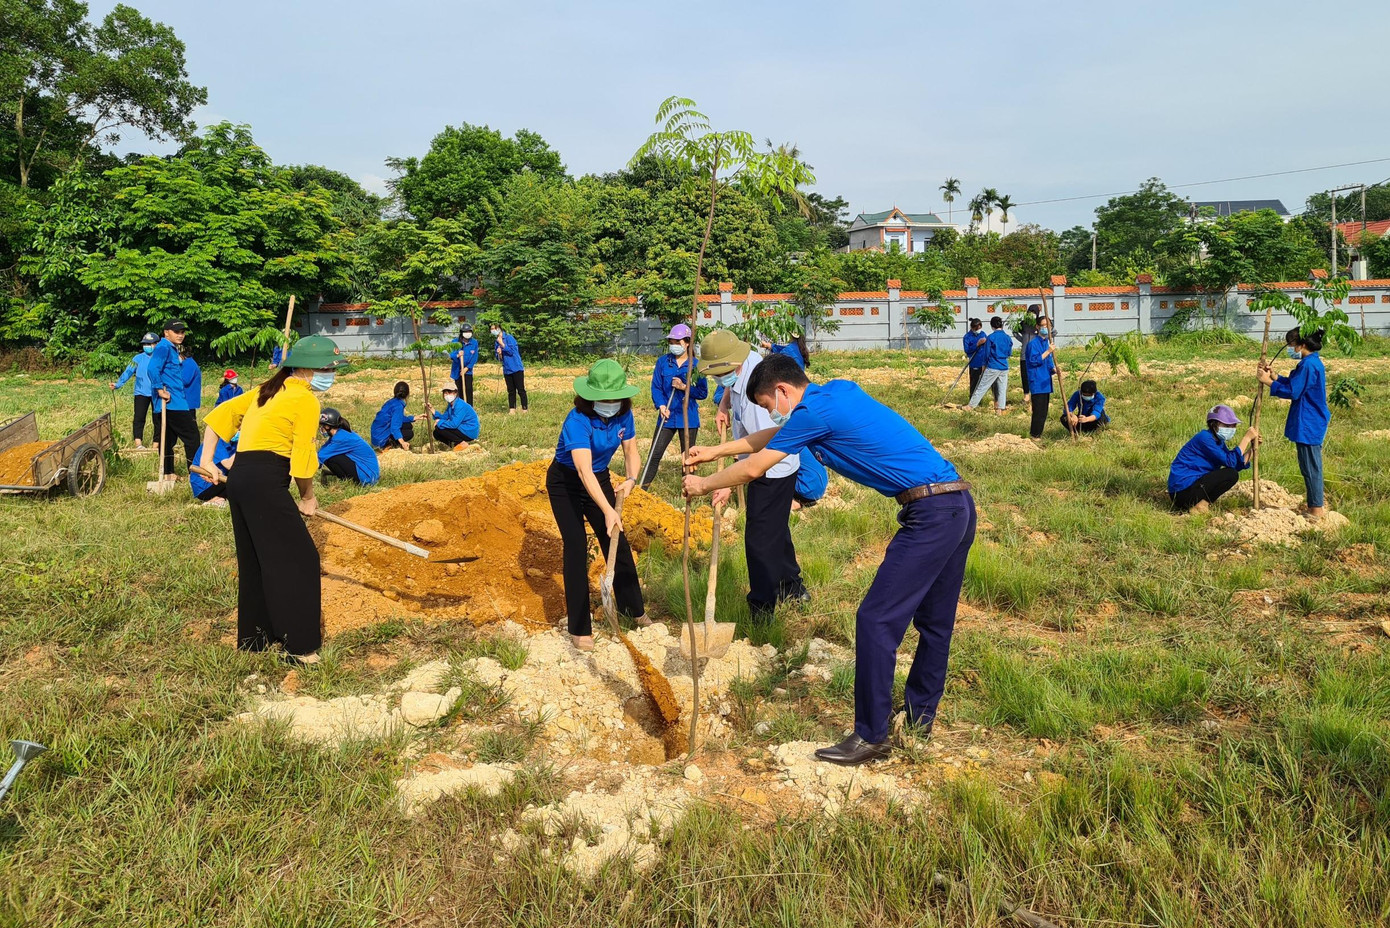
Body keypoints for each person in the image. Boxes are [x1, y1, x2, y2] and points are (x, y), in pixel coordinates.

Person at [683, 353, 974, 766]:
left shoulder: (812, 411)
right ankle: (918, 720)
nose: (772, 415)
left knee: (875, 620)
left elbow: (752, 470)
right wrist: (715, 450)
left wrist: (703, 484)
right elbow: (769, 439)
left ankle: (871, 736)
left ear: (782, 391)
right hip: (957, 502)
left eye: (768, 407)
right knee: (935, 624)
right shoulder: (834, 393)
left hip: (931, 515)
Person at [199, 335, 349, 664]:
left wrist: (209, 459)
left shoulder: (266, 391)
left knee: (256, 561)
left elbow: (219, 416)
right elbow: (302, 456)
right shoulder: (306, 401)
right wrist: (308, 497)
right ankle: (300, 648)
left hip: (241, 479)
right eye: (328, 369)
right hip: (266, 479)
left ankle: (256, 640)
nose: (331, 375)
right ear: (308, 370)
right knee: (300, 560)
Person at [698, 331, 808, 622]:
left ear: (734, 363)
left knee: (759, 540)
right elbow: (729, 390)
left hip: (771, 470)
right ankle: (793, 588)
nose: (719, 380)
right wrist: (724, 404)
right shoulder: (745, 367)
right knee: (775, 528)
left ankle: (762, 608)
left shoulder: (761, 391)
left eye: (720, 374)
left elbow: (758, 456)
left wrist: (724, 483)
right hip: (762, 464)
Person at [547, 359, 651, 650]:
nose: (610, 403)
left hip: (600, 476)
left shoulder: (623, 415)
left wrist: (631, 479)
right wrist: (607, 509)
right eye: (603, 399)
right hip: (566, 482)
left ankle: (634, 610)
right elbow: (582, 470)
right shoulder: (577, 421)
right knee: (576, 545)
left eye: (614, 398)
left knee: (616, 538)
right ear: (589, 397)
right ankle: (580, 628)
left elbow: (631, 451)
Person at [1258, 326, 1330, 519]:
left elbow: (1293, 392)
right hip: (1308, 420)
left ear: (1302, 345)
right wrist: (1275, 377)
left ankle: (1316, 509)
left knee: (1310, 465)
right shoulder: (1310, 363)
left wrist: (1268, 382)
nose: (1291, 349)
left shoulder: (1308, 365)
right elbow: (1294, 384)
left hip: (1309, 421)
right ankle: (1315, 505)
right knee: (1309, 464)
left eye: (1291, 345)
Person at [640, 323, 708, 490]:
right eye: (672, 342)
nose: (674, 345)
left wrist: (684, 387)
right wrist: (661, 405)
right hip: (667, 416)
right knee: (655, 454)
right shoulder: (663, 362)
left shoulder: (696, 365)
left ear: (687, 343)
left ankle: (688, 491)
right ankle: (642, 490)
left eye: (677, 342)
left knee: (688, 457)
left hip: (688, 418)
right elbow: (656, 387)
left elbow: (702, 393)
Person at [1167, 405, 1259, 512]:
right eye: (1227, 426)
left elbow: (1235, 464)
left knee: (1231, 474)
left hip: (1191, 489)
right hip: (1182, 492)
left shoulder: (1218, 442)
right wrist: (1246, 438)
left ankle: (1200, 504)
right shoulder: (1205, 438)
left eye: (1234, 426)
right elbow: (1231, 461)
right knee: (1231, 474)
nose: (1232, 429)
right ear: (1214, 424)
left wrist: (1252, 448)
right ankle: (1201, 505)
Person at [148, 320, 200, 478]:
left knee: (168, 440)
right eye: (176, 332)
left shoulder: (170, 348)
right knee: (192, 437)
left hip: (172, 403)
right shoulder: (164, 347)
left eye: (182, 332)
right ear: (166, 332)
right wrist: (159, 389)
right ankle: (196, 473)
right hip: (173, 403)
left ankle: (168, 473)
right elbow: (152, 368)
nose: (180, 335)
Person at [111, 332, 158, 449]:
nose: (147, 346)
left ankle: (156, 445)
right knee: (139, 418)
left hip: (157, 393)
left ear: (156, 344)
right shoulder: (137, 358)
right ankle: (138, 443)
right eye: (145, 344)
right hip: (141, 393)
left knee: (157, 419)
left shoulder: (160, 358)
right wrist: (118, 384)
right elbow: (128, 372)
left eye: (150, 344)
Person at [317, 408, 380, 486]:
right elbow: (322, 450)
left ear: (328, 426)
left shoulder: (340, 439)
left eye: (323, 426)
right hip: (367, 471)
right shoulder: (340, 434)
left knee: (330, 458)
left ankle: (353, 483)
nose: (321, 429)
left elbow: (320, 456)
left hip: (368, 477)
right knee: (329, 456)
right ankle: (348, 481)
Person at [965, 316, 1012, 413]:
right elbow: (1009, 353)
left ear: (992, 326)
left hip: (993, 366)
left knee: (982, 386)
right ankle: (1000, 409)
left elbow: (987, 354)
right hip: (1004, 366)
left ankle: (970, 406)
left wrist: (984, 366)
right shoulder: (1007, 337)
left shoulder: (991, 337)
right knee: (1002, 389)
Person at [1021, 317, 1057, 439]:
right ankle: (1035, 435)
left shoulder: (1046, 342)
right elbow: (1034, 360)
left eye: (1048, 326)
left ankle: (1038, 434)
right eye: (1043, 325)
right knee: (1038, 412)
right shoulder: (1033, 344)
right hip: (1037, 381)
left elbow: (1049, 362)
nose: (1046, 328)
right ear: (1037, 327)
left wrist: (1054, 370)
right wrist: (1048, 351)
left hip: (1045, 382)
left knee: (1044, 412)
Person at [426, 385, 480, 450]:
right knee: (436, 433)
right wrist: (432, 410)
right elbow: (445, 417)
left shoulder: (460, 405)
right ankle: (455, 446)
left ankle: (462, 443)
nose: (447, 395)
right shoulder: (451, 404)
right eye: (445, 393)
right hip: (461, 428)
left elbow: (454, 424)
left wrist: (439, 422)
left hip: (468, 430)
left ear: (455, 393)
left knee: (440, 428)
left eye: (450, 393)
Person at [189, 435, 237, 506]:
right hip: (205, 486)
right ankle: (215, 500)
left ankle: (218, 499)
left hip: (220, 480)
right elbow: (228, 464)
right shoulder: (218, 440)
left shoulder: (235, 442)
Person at [370, 381, 417, 451]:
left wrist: (414, 418)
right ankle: (388, 446)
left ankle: (389, 442)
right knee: (409, 433)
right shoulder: (398, 406)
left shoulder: (391, 402)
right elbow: (394, 428)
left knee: (408, 425)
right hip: (381, 440)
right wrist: (402, 442)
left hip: (376, 435)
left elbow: (397, 418)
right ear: (407, 394)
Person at [492, 322, 528, 413]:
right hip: (507, 369)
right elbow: (498, 358)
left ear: (499, 328)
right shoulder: (496, 342)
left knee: (520, 389)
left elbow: (512, 351)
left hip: (516, 367)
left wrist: (503, 345)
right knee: (511, 390)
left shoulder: (509, 338)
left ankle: (524, 408)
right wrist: (499, 353)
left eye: (494, 329)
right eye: (491, 329)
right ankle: (512, 409)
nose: (493, 331)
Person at [450, 324, 480, 405]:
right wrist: (458, 355)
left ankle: (469, 408)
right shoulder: (455, 342)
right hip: (457, 370)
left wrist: (466, 368)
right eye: (465, 331)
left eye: (469, 331)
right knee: (459, 390)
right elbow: (451, 355)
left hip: (468, 370)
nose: (467, 333)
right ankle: (460, 407)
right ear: (461, 333)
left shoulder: (474, 343)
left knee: (468, 389)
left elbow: (475, 357)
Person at [962, 318, 987, 397]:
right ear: (972, 328)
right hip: (974, 363)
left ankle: (980, 398)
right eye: (977, 329)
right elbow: (967, 350)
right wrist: (977, 344)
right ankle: (972, 399)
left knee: (983, 382)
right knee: (974, 382)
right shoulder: (967, 337)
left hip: (983, 362)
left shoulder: (983, 334)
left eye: (980, 328)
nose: (978, 330)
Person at [181, 344, 203, 416]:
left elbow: (185, 380)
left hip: (188, 399)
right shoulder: (187, 363)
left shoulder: (189, 364)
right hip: (187, 399)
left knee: (189, 424)